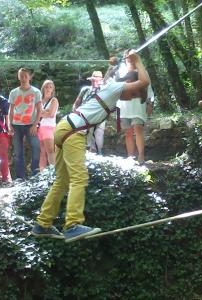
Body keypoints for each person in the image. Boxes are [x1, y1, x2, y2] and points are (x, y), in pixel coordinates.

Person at [31, 50, 150, 242]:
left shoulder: (108, 87)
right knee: (79, 177)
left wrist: (113, 65)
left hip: (64, 127)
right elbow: (144, 81)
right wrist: (137, 60)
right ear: (128, 85)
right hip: (74, 132)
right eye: (133, 93)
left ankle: (43, 223)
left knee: (62, 181)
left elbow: (113, 74)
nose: (132, 96)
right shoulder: (116, 87)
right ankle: (72, 225)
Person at [116, 52, 154, 164]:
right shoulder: (120, 72)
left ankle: (141, 157)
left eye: (132, 56)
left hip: (138, 105)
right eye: (127, 56)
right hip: (123, 106)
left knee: (138, 128)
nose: (129, 58)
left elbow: (149, 89)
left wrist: (150, 103)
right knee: (128, 132)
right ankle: (130, 158)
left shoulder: (143, 72)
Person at [8, 68, 42, 179]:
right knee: (18, 152)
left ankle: (35, 176)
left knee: (36, 148)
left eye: (25, 76)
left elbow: (39, 110)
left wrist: (35, 124)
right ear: (18, 77)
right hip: (16, 125)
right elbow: (11, 110)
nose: (23, 78)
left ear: (29, 77)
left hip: (30, 124)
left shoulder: (36, 92)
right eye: (21, 76)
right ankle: (20, 178)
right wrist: (10, 124)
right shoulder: (13, 92)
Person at [73, 70, 105, 154]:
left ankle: (98, 162)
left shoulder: (104, 90)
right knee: (85, 144)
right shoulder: (85, 90)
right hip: (85, 120)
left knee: (98, 144)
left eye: (96, 80)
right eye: (93, 80)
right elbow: (76, 103)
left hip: (99, 120)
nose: (95, 81)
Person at [38, 80, 59, 171]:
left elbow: (51, 114)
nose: (48, 89)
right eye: (46, 87)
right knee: (41, 152)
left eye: (50, 87)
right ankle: (41, 174)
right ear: (43, 88)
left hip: (49, 128)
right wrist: (44, 112)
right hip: (39, 128)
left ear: (53, 89)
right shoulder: (39, 100)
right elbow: (33, 113)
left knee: (50, 151)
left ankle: (53, 172)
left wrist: (40, 112)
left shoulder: (54, 100)